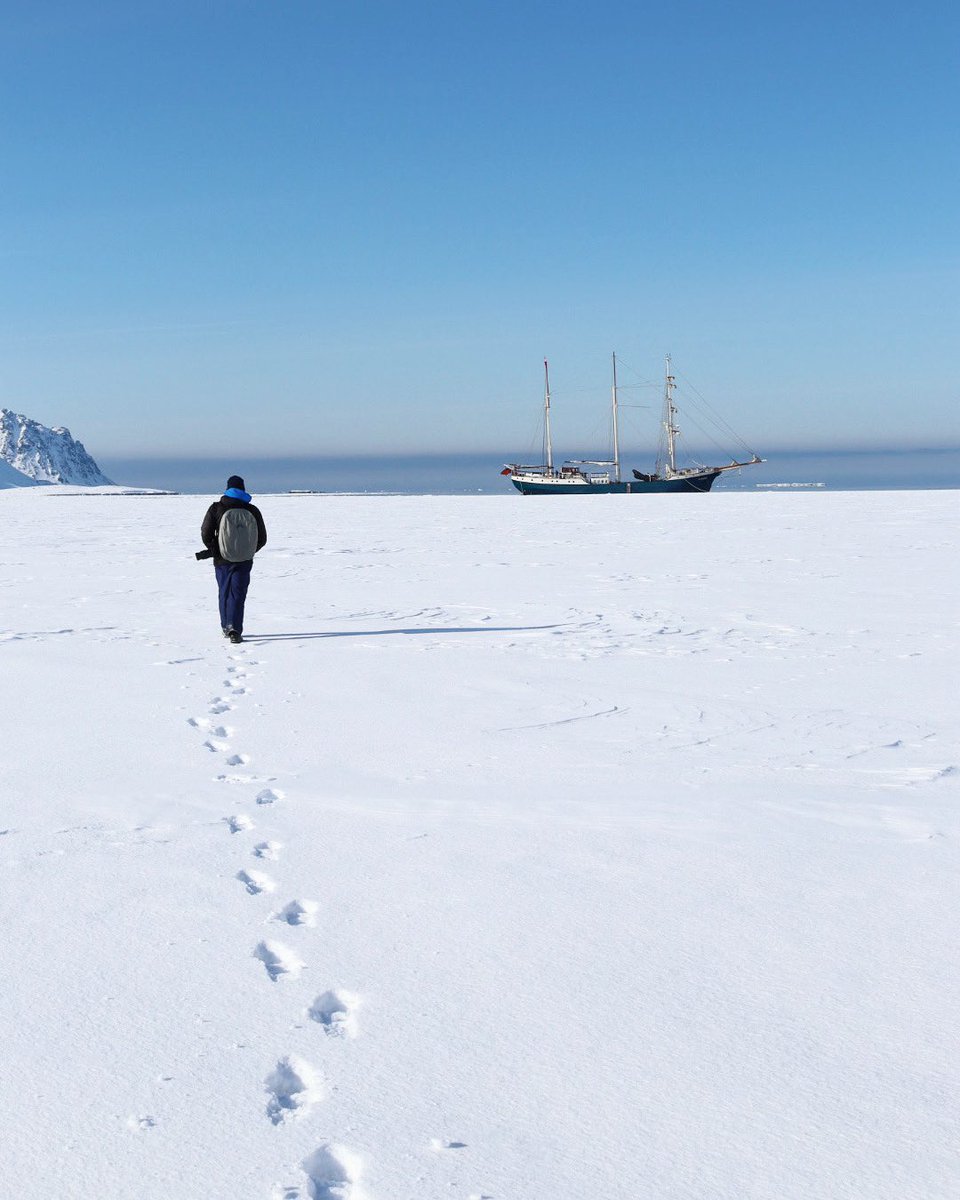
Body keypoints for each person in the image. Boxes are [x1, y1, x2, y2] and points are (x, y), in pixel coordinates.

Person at [201, 475, 267, 643]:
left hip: (221, 559)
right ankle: (234, 628)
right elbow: (262, 538)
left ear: (228, 488)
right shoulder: (252, 510)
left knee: (224, 592)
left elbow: (206, 532)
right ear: (243, 489)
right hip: (244, 560)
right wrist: (248, 551)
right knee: (238, 594)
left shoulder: (216, 508)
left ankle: (226, 626)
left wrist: (217, 549)